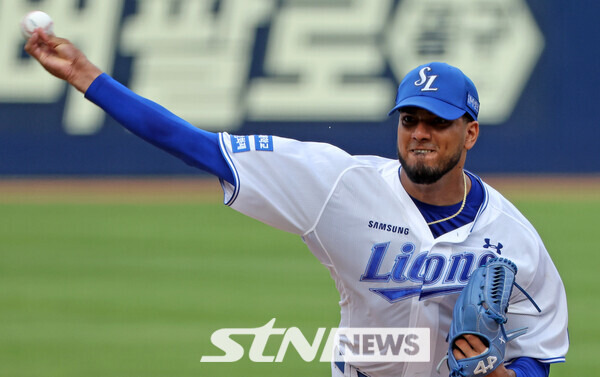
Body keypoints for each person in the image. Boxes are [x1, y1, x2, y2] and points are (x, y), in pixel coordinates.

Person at [25, 29, 568, 377]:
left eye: (438, 122)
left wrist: (497, 374)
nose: (420, 133)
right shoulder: (338, 186)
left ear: (470, 133)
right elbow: (199, 146)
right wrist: (87, 78)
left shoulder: (514, 240)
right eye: (410, 120)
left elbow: (538, 353)